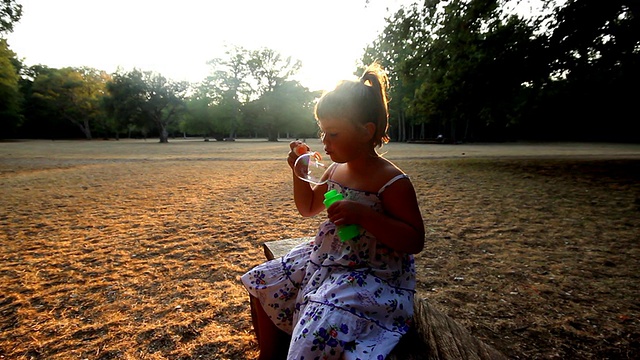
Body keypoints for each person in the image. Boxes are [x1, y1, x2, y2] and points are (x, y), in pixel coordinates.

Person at [241, 63, 425, 360]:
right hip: (326, 257)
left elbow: (415, 240)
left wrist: (364, 215)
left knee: (319, 328)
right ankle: (269, 354)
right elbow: (308, 207)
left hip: (369, 273)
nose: (324, 142)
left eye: (334, 134)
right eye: (322, 132)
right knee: (263, 280)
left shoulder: (392, 182)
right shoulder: (335, 169)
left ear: (366, 132)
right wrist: (297, 171)